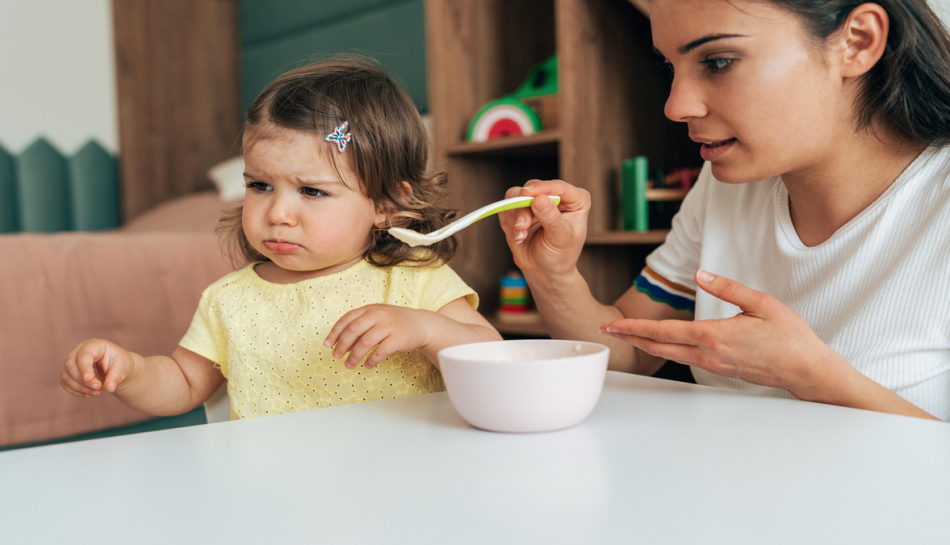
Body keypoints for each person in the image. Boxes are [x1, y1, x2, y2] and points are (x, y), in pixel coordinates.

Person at [500, 0, 950, 421]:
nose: (676, 106)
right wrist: (552, 275)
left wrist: (811, 373)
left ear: (858, 41)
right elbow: (631, 352)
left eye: (717, 62)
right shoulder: (726, 190)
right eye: (670, 66)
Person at [60, 58, 501, 419]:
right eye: (259, 186)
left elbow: (495, 364)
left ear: (386, 205)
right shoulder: (229, 299)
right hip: (270, 491)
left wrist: (425, 329)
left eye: (312, 191)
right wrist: (130, 370)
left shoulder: (415, 280)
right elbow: (183, 381)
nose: (278, 214)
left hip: (397, 484)